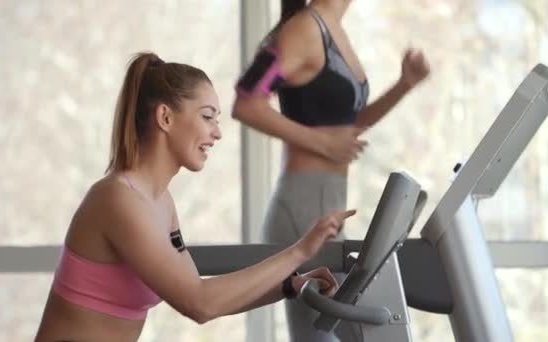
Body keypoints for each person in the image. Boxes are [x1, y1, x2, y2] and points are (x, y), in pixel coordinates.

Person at [34, 52, 356, 342]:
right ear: (165, 118)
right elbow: (200, 303)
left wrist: (289, 285)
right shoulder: (118, 200)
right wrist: (300, 252)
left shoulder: (159, 202)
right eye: (207, 117)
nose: (217, 132)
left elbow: (204, 293)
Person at [232, 0, 430, 341]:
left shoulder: (333, 28)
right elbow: (247, 102)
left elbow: (345, 127)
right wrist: (321, 144)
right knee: (326, 335)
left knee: (340, 333)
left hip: (328, 201)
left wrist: (404, 85)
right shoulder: (305, 29)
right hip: (303, 205)